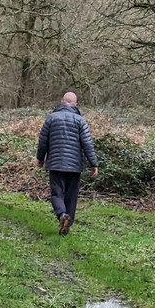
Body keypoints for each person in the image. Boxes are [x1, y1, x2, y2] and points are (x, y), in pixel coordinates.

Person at [36, 91, 99, 235]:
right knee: (71, 196)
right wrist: (93, 163)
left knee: (57, 194)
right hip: (74, 166)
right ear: (75, 104)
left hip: (56, 163)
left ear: (62, 101)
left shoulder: (51, 118)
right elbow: (87, 144)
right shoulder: (80, 120)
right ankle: (67, 225)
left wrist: (40, 158)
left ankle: (61, 215)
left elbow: (43, 141)